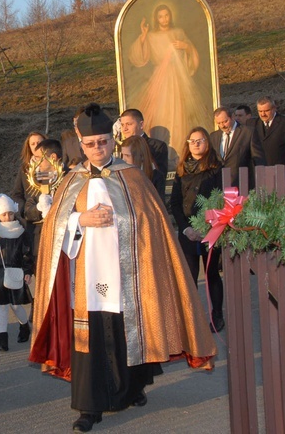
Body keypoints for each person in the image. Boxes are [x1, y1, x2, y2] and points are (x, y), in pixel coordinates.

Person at [29, 103, 216, 433]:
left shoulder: (131, 177)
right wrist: (79, 219)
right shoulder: (71, 180)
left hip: (126, 274)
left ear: (111, 142)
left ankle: (131, 388)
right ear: (81, 144)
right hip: (85, 274)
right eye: (91, 144)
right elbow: (54, 228)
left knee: (125, 331)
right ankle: (89, 407)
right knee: (91, 338)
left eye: (102, 142)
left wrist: (121, 219)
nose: (97, 148)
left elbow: (150, 222)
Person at [127, 4, 213, 157]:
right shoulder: (152, 36)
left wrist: (185, 46)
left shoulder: (178, 32)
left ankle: (181, 149)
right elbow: (138, 57)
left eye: (166, 15)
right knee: (162, 112)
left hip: (178, 78)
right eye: (161, 16)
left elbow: (192, 54)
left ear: (170, 16)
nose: (164, 19)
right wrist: (144, 35)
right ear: (156, 18)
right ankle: (163, 150)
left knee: (179, 110)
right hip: (160, 79)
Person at [169, 127, 225, 333]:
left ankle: (217, 316)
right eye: (192, 141)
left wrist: (206, 227)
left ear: (207, 143)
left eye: (200, 140)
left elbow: (220, 199)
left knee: (211, 274)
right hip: (188, 233)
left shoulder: (216, 168)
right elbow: (175, 203)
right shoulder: (182, 169)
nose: (195, 144)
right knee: (190, 277)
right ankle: (191, 321)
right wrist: (185, 229)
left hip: (210, 230)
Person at [0, 194, 33, 351]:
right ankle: (2, 340)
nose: (8, 216)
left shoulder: (20, 231)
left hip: (16, 271)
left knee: (16, 306)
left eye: (10, 213)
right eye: (4, 214)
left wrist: (28, 271)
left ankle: (24, 326)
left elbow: (27, 253)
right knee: (2, 307)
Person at [11, 131, 47, 267]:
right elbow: (17, 194)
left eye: (39, 142)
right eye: (33, 144)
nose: (36, 146)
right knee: (37, 265)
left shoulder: (57, 166)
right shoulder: (25, 169)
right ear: (29, 148)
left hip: (51, 220)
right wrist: (24, 211)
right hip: (32, 224)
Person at [24, 138, 65, 259]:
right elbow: (27, 211)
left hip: (64, 241)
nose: (34, 161)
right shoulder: (37, 179)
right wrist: (39, 207)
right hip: (41, 243)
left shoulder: (71, 178)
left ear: (52, 157)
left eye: (37, 157)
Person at [209, 106, 266, 188]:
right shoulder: (214, 136)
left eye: (225, 121)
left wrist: (261, 182)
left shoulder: (248, 132)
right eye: (219, 123)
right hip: (219, 185)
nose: (222, 126)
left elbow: (258, 159)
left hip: (242, 184)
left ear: (232, 117)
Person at [255, 96, 285, 185]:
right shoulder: (252, 124)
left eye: (266, 111)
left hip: (280, 172)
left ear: (274, 109)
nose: (263, 114)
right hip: (259, 173)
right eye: (260, 111)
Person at [118, 108, 169, 175]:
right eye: (122, 125)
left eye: (129, 124)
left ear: (141, 125)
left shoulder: (157, 146)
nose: (125, 129)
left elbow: (160, 177)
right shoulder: (120, 147)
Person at [120, 135, 166, 201]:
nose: (123, 159)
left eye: (127, 156)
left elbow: (158, 205)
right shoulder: (121, 175)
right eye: (122, 155)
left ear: (140, 156)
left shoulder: (156, 177)